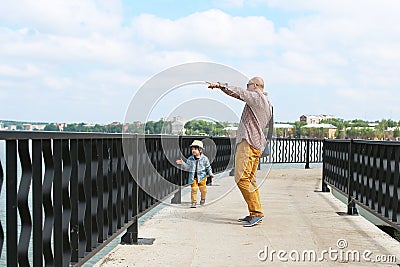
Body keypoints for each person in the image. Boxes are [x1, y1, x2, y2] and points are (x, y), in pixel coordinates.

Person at [207, 77, 273, 227]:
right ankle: (254, 213)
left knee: (241, 178)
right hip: (256, 144)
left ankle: (256, 212)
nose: (247, 87)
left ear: (255, 86)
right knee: (250, 179)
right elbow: (240, 95)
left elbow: (240, 93)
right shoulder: (267, 103)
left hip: (248, 143)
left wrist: (219, 84)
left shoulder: (257, 97)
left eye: (248, 85)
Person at [176, 140, 215, 208]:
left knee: (203, 190)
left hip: (202, 177)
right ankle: (193, 202)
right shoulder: (190, 159)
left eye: (195, 149)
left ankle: (203, 199)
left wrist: (210, 173)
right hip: (193, 177)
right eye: (192, 149)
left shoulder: (205, 159)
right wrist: (183, 163)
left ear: (200, 150)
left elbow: (208, 167)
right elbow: (188, 167)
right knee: (194, 189)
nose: (193, 150)